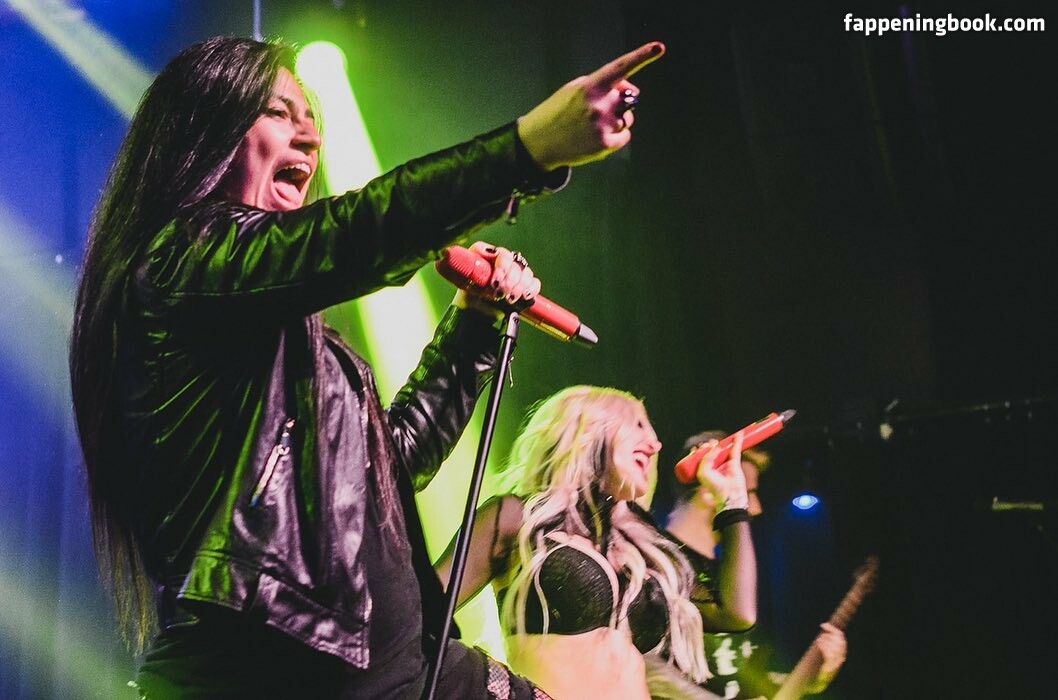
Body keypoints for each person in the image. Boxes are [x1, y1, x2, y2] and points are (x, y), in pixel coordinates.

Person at [68, 35, 664, 698]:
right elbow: (357, 231)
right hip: (295, 667)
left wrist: (474, 323)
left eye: (312, 118)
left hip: (391, 663)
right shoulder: (179, 262)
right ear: (205, 131)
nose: (310, 136)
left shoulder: (284, 335)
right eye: (279, 113)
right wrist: (527, 150)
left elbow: (388, 467)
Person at [435, 386, 757, 699]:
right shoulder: (518, 518)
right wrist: (481, 681)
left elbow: (736, 613)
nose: (655, 444)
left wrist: (732, 501)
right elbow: (424, 610)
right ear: (588, 428)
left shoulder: (637, 546)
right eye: (638, 425)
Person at [665, 431, 847, 699]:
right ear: (709, 487)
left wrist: (813, 680)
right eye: (748, 492)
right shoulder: (658, 566)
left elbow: (738, 680)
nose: (756, 507)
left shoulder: (727, 575)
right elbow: (648, 673)